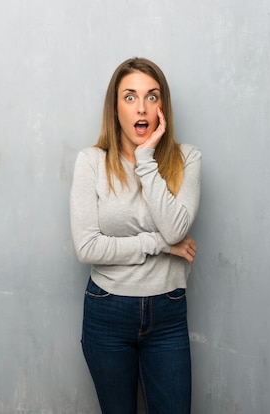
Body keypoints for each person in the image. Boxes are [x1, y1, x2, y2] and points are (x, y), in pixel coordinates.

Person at [69, 57, 201, 414]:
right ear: (115, 108)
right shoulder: (91, 162)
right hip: (107, 310)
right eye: (129, 97)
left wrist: (145, 159)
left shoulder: (187, 159)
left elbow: (177, 229)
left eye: (151, 96)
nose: (141, 107)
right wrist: (159, 244)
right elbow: (87, 246)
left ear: (163, 106)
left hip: (168, 312)